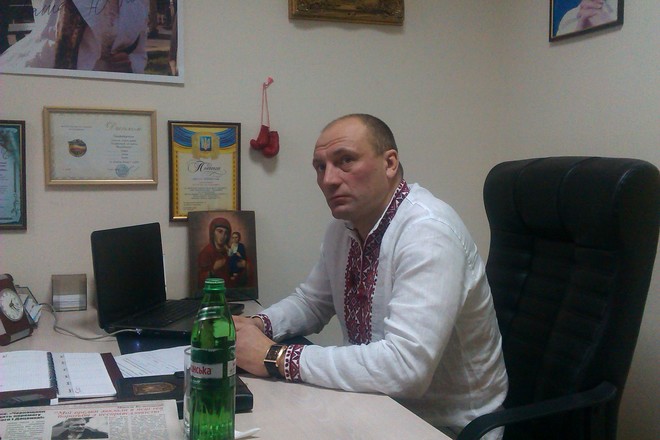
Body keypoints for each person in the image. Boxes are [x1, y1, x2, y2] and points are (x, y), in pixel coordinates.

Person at [234, 114, 508, 438]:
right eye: (320, 167)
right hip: (372, 403)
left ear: (389, 163)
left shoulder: (429, 233)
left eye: (345, 160)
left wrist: (275, 356)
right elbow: (312, 302)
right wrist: (256, 326)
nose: (328, 179)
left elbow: (405, 368)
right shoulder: (343, 229)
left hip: (446, 427)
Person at [0, 0, 149, 73]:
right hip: (41, 77)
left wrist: (128, 64)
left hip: (111, 90)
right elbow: (50, 39)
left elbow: (137, 48)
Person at [197, 216, 232, 290]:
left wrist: (245, 264)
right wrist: (213, 269)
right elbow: (200, 280)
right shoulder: (206, 253)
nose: (223, 236)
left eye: (226, 233)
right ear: (213, 233)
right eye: (220, 231)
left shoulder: (229, 251)